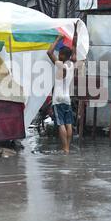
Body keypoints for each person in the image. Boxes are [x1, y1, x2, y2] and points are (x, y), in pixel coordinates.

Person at [47, 23, 78, 154]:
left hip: (58, 99)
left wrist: (58, 39)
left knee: (60, 124)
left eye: (60, 54)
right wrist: (75, 31)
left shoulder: (60, 65)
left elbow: (49, 52)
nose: (58, 55)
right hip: (67, 98)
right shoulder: (72, 64)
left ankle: (65, 149)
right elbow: (74, 48)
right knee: (69, 123)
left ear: (63, 56)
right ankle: (68, 148)